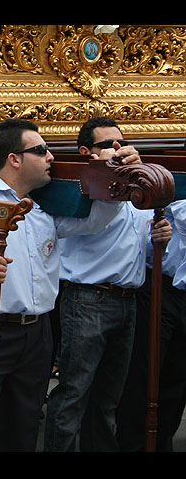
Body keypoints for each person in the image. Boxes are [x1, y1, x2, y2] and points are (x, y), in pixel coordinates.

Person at [0, 118, 138, 452]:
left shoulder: (41, 208)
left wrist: (115, 178)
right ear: (14, 158)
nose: (50, 157)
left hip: (36, 333)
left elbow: (95, 221)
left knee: (22, 430)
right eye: (40, 150)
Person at [43, 116, 172, 452]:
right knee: (73, 393)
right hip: (87, 299)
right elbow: (82, 225)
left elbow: (139, 247)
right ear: (86, 152)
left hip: (127, 299)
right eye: (107, 145)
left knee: (108, 397)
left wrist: (159, 237)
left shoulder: (137, 184)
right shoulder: (78, 187)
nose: (118, 149)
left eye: (120, 143)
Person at [116, 199, 186, 451]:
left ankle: (162, 438)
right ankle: (135, 443)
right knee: (144, 372)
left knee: (178, 377)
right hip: (160, 283)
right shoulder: (172, 173)